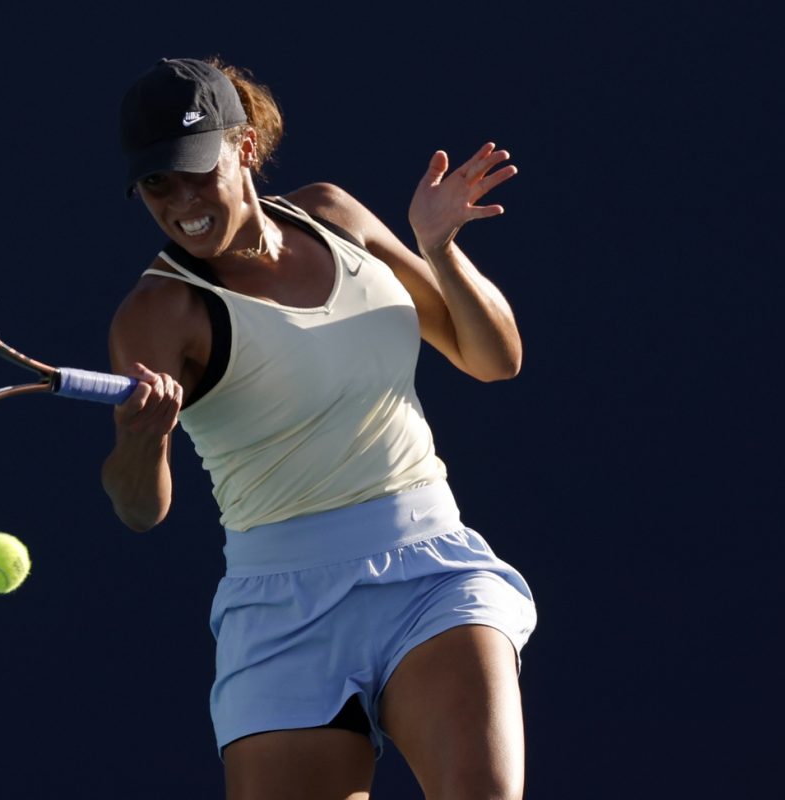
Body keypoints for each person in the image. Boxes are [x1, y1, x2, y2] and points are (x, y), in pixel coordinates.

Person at [101, 56, 538, 800]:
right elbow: (140, 509)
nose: (181, 202)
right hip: (279, 614)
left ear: (243, 147)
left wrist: (440, 249)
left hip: (428, 572)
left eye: (194, 170)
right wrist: (142, 441)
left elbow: (493, 358)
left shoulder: (332, 214)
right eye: (157, 185)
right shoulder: (156, 314)